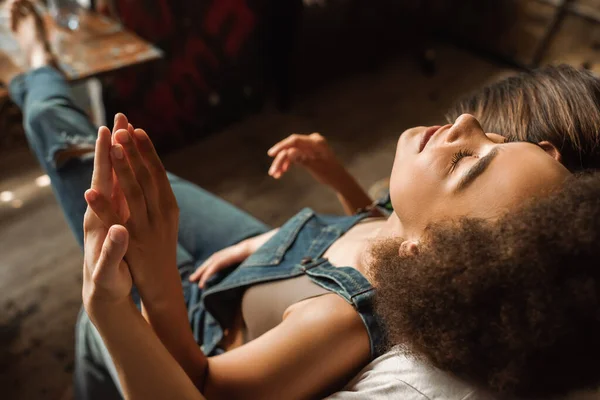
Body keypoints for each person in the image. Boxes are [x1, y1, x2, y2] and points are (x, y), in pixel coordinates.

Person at [2, 1, 599, 399]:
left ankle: (36, 71)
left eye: (470, 161)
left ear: (430, 254)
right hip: (261, 258)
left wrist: (156, 285)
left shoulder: (341, 320)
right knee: (116, 171)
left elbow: (203, 383)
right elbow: (372, 220)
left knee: (86, 165)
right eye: (498, 136)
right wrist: (333, 176)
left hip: (194, 320)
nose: (469, 120)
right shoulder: (412, 235)